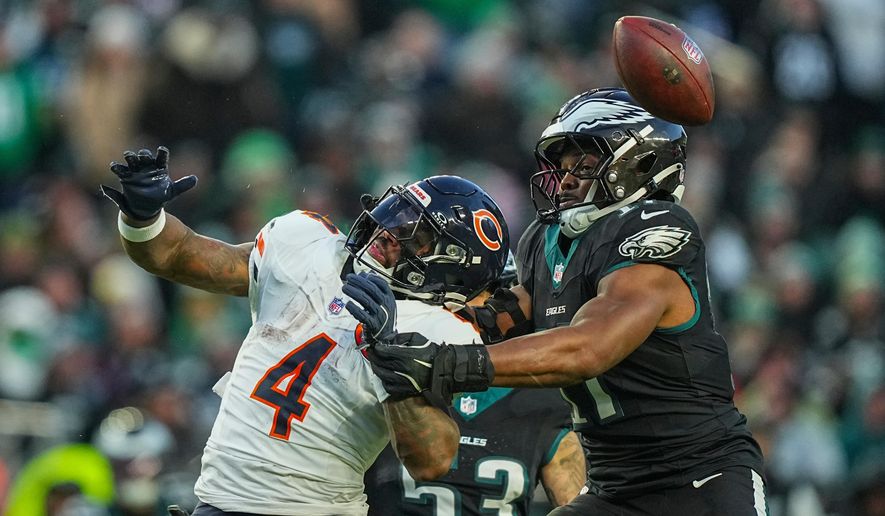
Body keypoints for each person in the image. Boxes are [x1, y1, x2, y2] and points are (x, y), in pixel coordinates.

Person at [343, 88, 768, 516]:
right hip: (613, 488)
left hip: (699, 478)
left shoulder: (657, 227)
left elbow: (588, 349)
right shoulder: (546, 240)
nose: (564, 180)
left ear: (638, 162)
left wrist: (440, 362)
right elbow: (495, 321)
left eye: (583, 165)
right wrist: (403, 323)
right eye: (562, 167)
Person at [100, 147, 510, 515]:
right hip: (218, 502)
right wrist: (144, 218)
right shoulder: (309, 244)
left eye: (414, 234)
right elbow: (176, 254)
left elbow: (433, 460)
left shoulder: (442, 330)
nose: (390, 230)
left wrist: (392, 357)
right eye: (399, 213)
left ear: (451, 267)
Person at [363, 261, 586, 516]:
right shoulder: (385, 376)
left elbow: (576, 505)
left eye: (482, 295)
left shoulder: (545, 403)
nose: (461, 311)